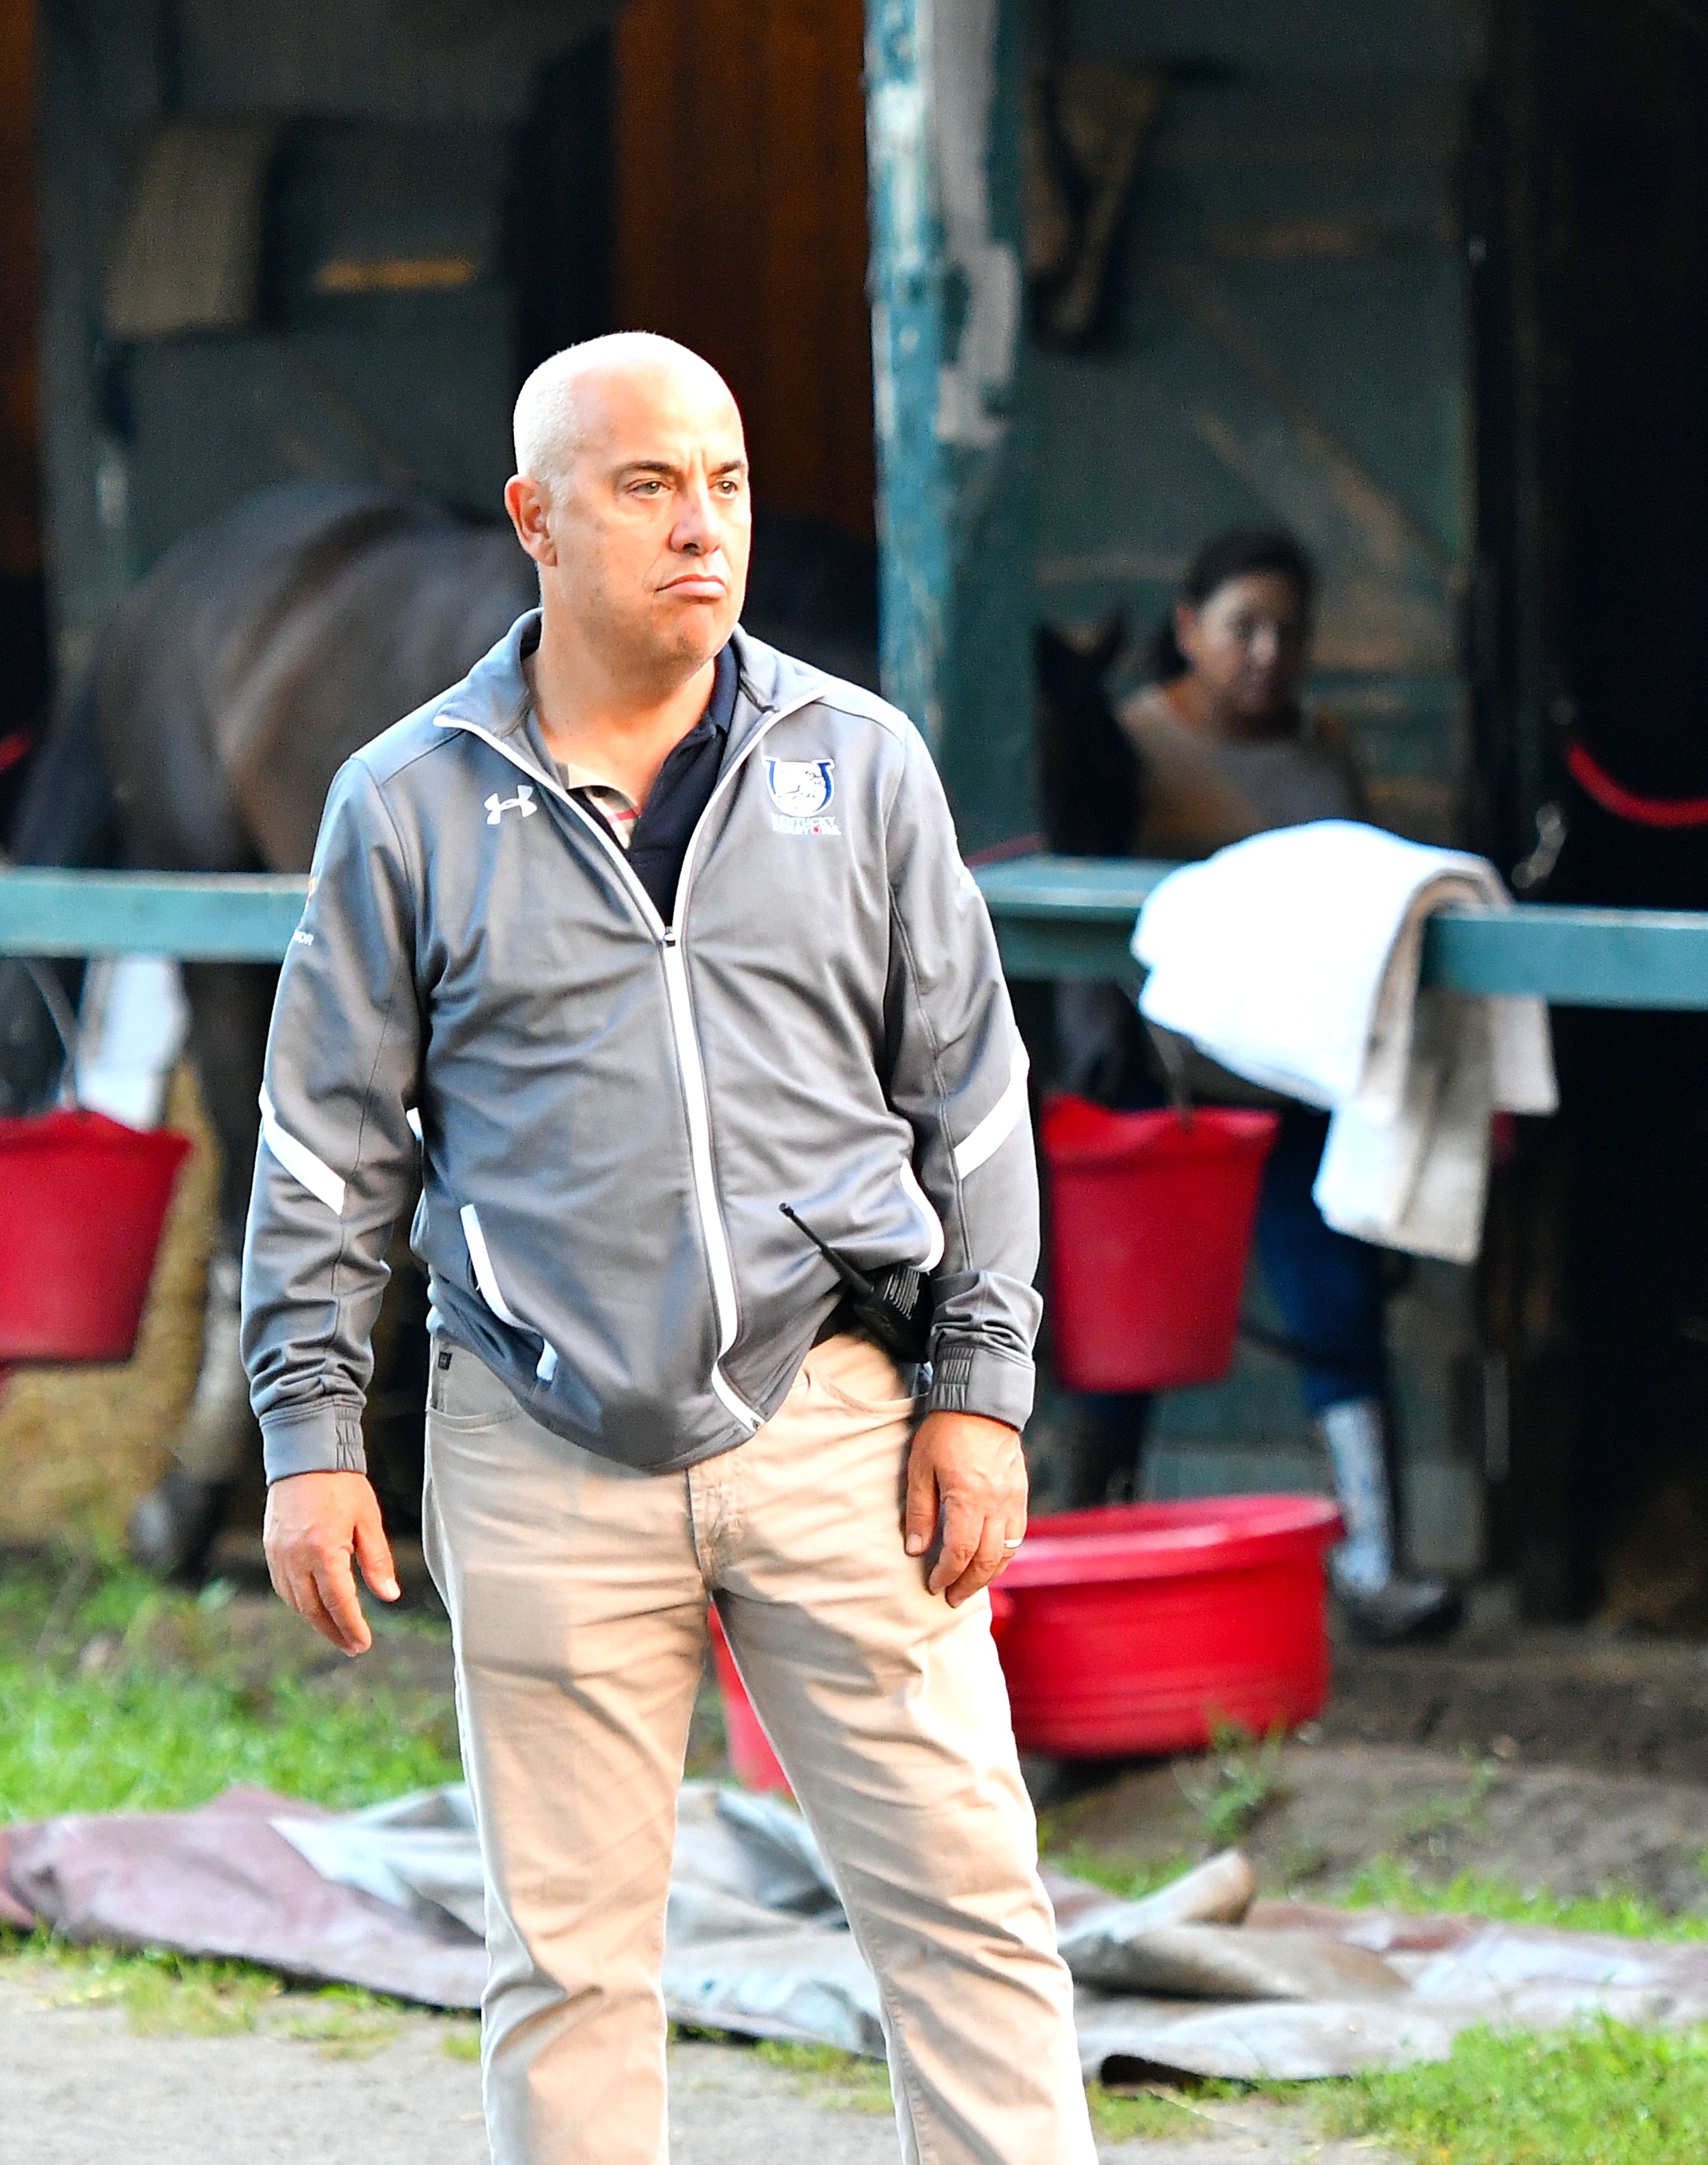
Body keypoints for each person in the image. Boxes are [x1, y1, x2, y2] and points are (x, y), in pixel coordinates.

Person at [243, 333, 1092, 2164]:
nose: (698, 527)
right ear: (532, 520)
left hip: (840, 1426)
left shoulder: (857, 767)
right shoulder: (405, 800)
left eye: (721, 485)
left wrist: (980, 1392)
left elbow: (975, 1102)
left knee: (966, 1912)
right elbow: (323, 1148)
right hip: (534, 1440)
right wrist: (310, 1437)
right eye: (644, 487)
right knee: (566, 1962)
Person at [1057, 526, 1458, 1643]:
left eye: (1290, 631)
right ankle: (1093, 1540)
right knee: (1126, 1331)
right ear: (1189, 630)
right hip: (1173, 1095)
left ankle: (1378, 1560)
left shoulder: (1323, 751)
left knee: (1336, 1307)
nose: (1267, 653)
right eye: (1245, 627)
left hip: (1298, 1093)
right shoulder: (1130, 746)